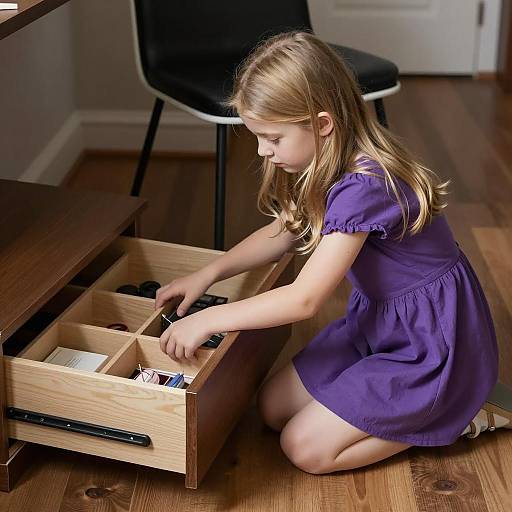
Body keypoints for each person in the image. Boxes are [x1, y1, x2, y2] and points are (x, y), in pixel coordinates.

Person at [155, 31, 510, 474]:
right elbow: (282, 233)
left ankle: (458, 413)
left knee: (305, 449)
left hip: (429, 342)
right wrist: (208, 274)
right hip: (381, 323)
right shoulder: (325, 158)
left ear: (322, 123)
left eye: (273, 138)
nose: (264, 151)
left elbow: (305, 299)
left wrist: (208, 318)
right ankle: (421, 404)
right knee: (272, 408)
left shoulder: (365, 183)